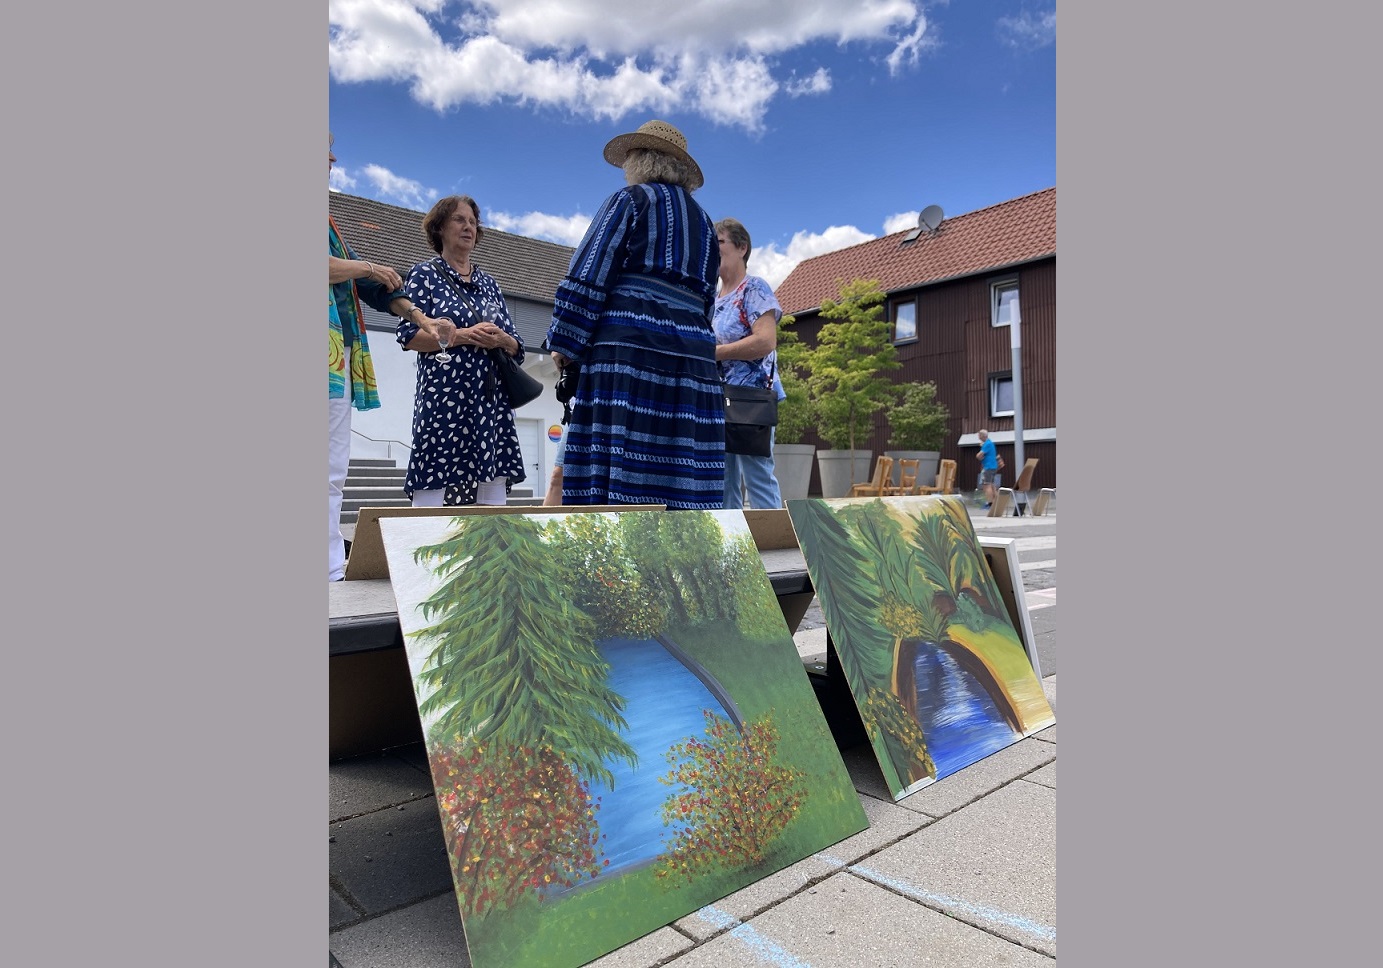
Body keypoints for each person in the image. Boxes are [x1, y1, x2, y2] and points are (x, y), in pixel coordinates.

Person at [545, 119, 724, 508]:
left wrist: (565, 342)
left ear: (641, 160)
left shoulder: (630, 200)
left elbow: (590, 271)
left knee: (623, 457)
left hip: (630, 349)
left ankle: (614, 557)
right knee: (681, 462)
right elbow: (709, 299)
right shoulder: (707, 225)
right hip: (693, 357)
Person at [328, 133, 444, 581]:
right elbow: (361, 273)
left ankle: (331, 572)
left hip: (335, 360)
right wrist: (368, 267)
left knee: (332, 471)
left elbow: (378, 288)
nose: (333, 159)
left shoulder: (330, 224)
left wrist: (422, 318)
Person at [397, 195, 527, 507]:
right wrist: (465, 336)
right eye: (459, 219)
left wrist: (501, 340)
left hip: (489, 400)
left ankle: (490, 554)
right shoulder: (424, 275)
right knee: (433, 477)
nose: (468, 226)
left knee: (492, 483)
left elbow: (516, 346)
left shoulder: (490, 283)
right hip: (443, 400)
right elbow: (410, 335)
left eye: (472, 221)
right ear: (440, 227)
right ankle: (422, 552)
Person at [712, 217, 785, 509]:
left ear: (742, 248)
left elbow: (766, 341)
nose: (712, 249)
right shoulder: (712, 299)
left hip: (750, 400)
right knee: (722, 479)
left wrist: (715, 352)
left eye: (719, 242)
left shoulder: (753, 288)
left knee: (757, 476)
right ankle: (731, 548)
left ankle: (775, 547)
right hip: (719, 401)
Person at [975, 428, 999, 508]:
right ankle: (996, 502)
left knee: (987, 485)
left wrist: (979, 457)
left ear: (982, 436)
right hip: (993, 466)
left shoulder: (987, 444)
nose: (978, 437)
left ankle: (990, 503)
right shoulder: (990, 443)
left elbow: (979, 455)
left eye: (979, 435)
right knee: (992, 485)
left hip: (988, 467)